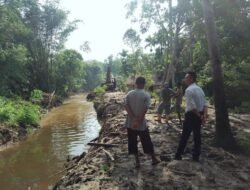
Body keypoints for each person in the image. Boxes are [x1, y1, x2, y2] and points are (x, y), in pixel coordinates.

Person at [124, 76, 160, 168]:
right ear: (144, 84)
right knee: (146, 141)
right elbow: (145, 109)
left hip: (130, 123)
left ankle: (137, 162)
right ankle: (153, 159)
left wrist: (133, 119)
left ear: (136, 83)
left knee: (132, 142)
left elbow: (126, 106)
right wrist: (138, 120)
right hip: (141, 124)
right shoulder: (146, 95)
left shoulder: (129, 94)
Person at [175, 71, 208, 162]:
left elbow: (192, 106)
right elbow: (205, 103)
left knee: (185, 136)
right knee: (197, 136)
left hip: (191, 115)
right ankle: (195, 157)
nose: (185, 79)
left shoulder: (189, 90)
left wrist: (200, 116)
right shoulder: (200, 89)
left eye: (186, 77)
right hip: (199, 114)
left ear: (191, 78)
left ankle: (178, 155)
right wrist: (203, 116)